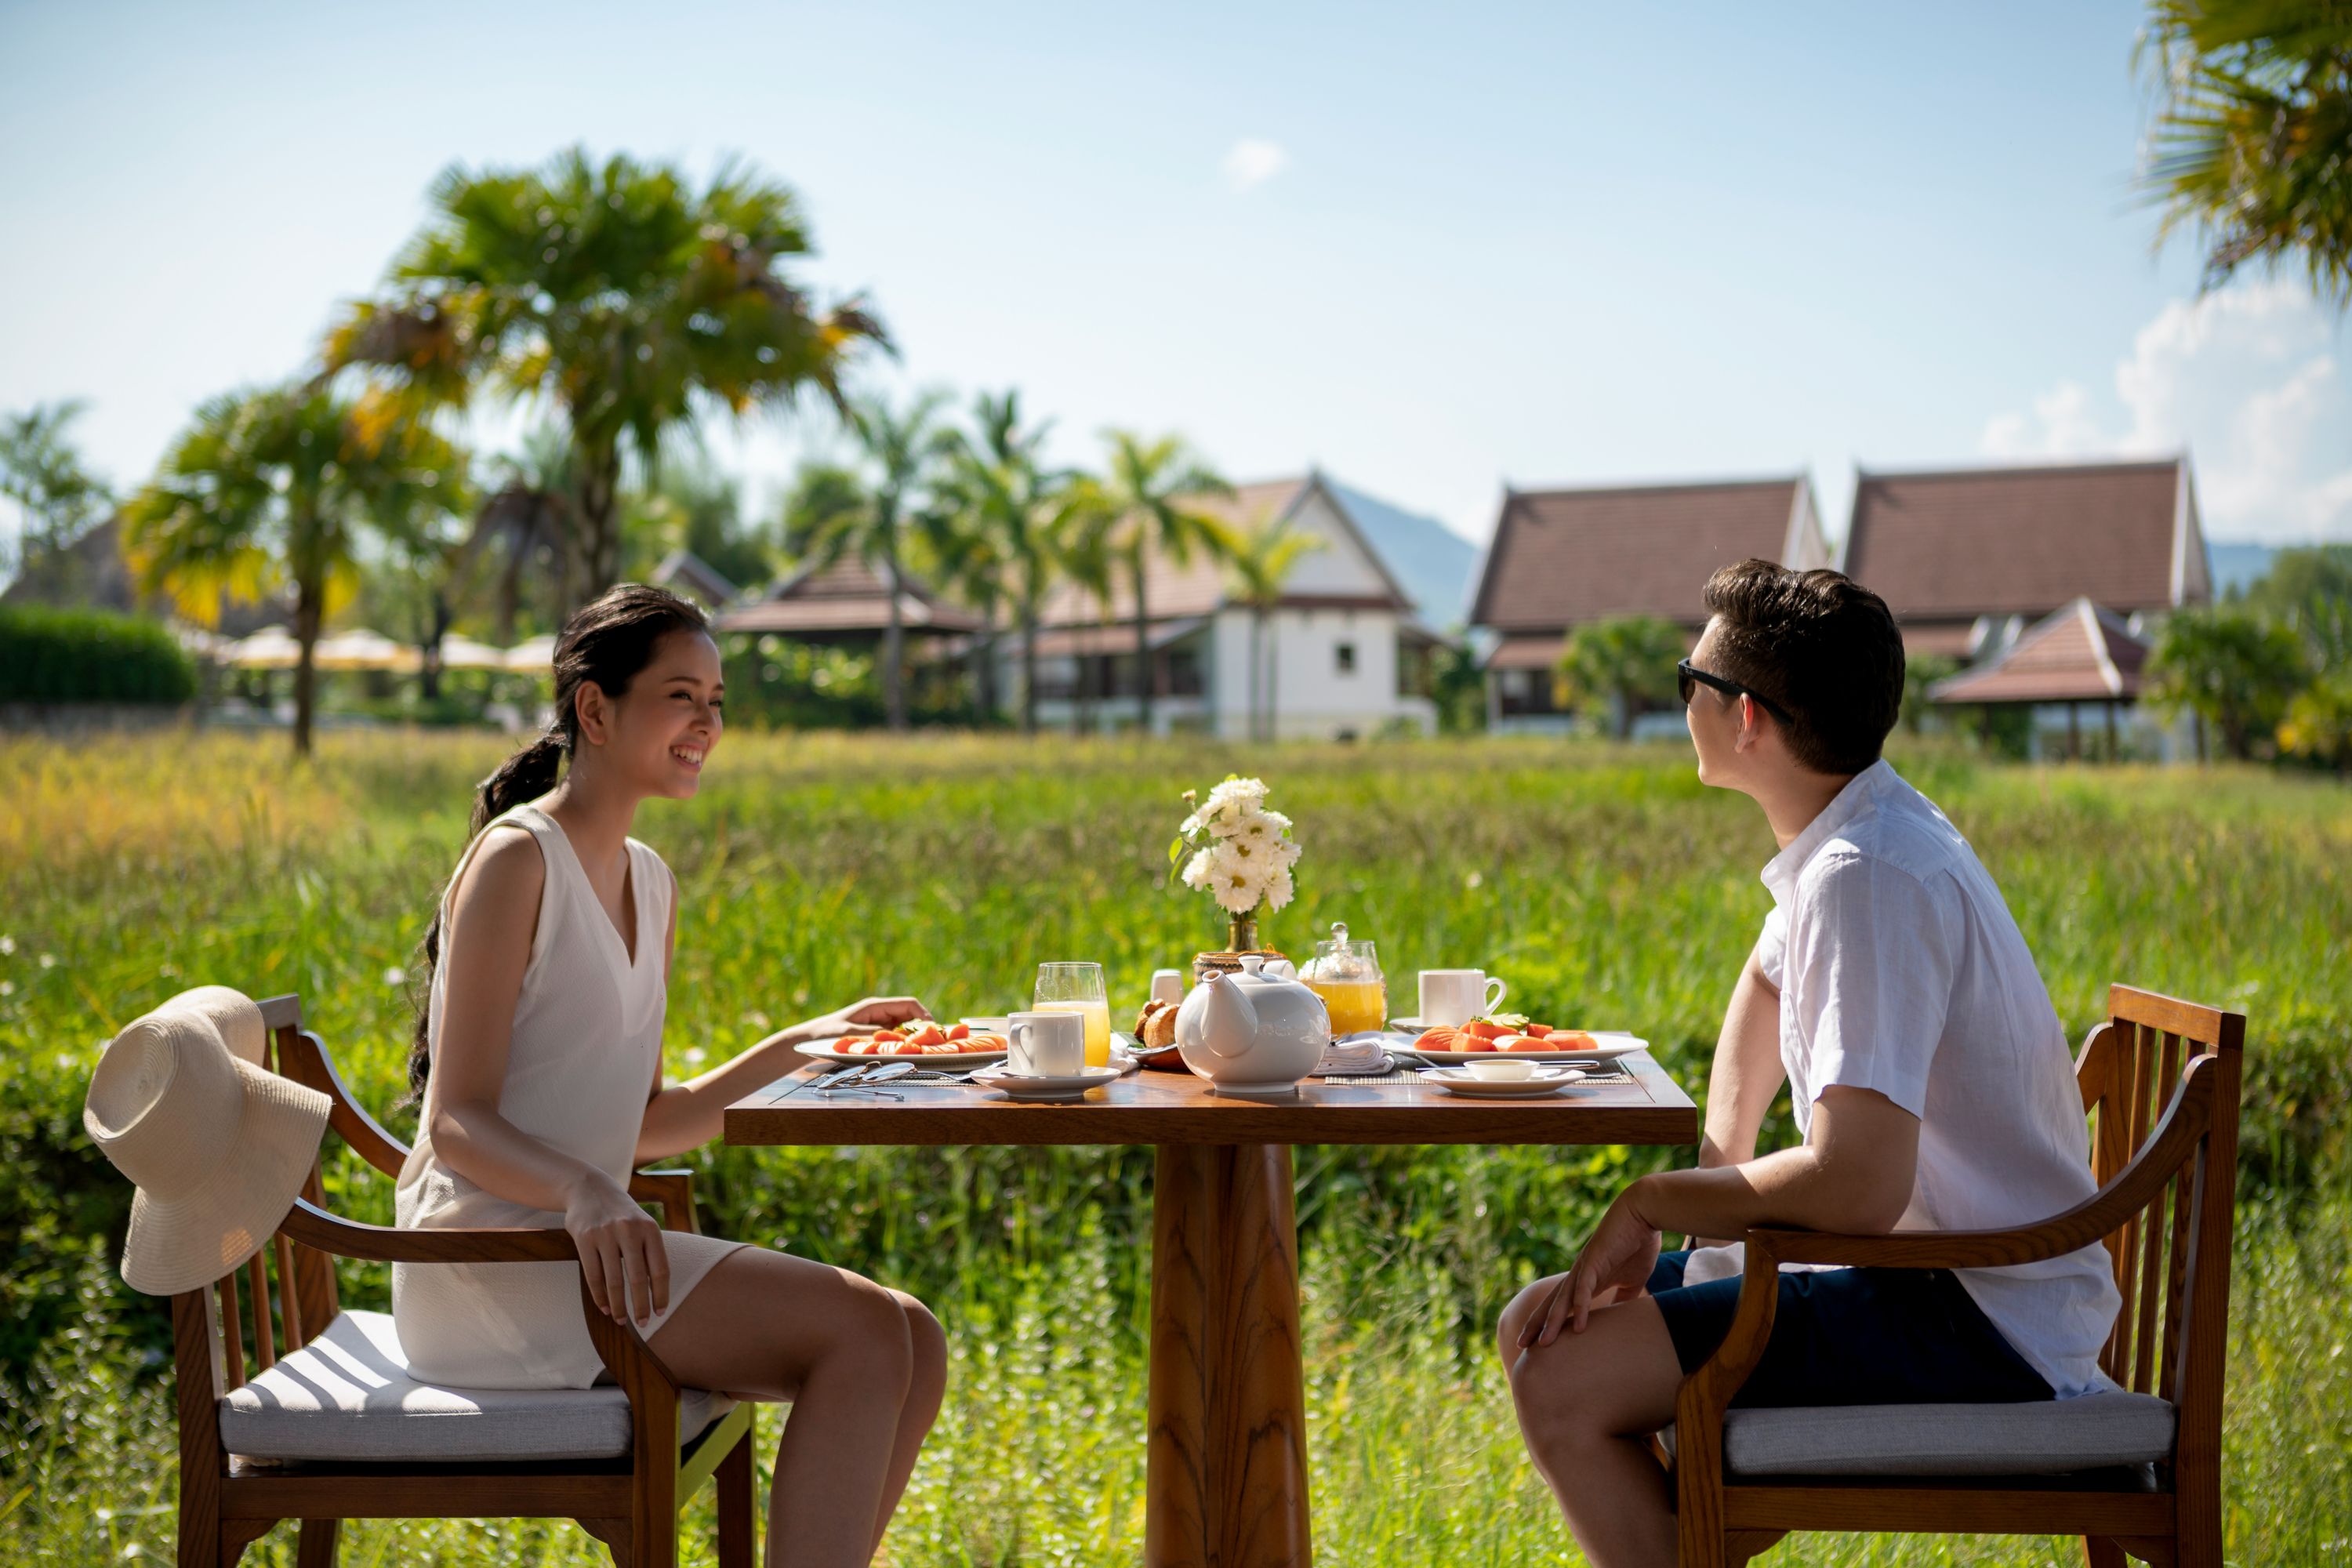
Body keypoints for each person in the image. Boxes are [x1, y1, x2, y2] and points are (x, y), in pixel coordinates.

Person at [1496, 560, 2122, 1568]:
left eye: (1685, 681)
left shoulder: (1864, 877)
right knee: (1538, 1322)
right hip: (1939, 1281)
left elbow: (1861, 1184)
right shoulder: (1860, 831)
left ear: (1745, 719)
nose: (1682, 698)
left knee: (1558, 1374)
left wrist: (1660, 1202)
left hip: (1973, 1317)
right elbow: (1768, 977)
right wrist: (1720, 1156)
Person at [393, 584, 942, 1568]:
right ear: (595, 709)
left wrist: (807, 1041)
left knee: (916, 1337)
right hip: (496, 1261)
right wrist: (583, 1189)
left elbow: (651, 1119)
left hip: (594, 1251)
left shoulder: (650, 876)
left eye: (718, 701)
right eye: (681, 695)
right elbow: (457, 1123)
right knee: (864, 1332)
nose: (707, 724)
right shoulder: (517, 860)